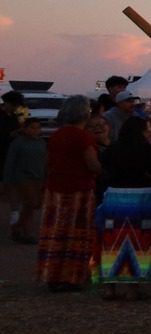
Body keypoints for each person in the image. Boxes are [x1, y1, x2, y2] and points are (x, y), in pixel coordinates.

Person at [96, 110, 151, 301]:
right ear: (142, 131)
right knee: (138, 243)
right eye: (148, 128)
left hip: (114, 201)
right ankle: (132, 289)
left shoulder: (112, 149)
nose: (150, 131)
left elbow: (102, 171)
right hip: (144, 202)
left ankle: (110, 287)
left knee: (112, 242)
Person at [38, 97, 100, 291]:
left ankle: (52, 273)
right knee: (77, 233)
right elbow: (92, 164)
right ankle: (72, 276)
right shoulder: (82, 137)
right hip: (78, 189)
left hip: (55, 188)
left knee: (56, 231)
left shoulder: (57, 135)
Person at [5, 114, 46, 245]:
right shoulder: (18, 143)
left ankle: (20, 229)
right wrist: (7, 180)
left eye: (38, 128)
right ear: (25, 128)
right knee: (31, 203)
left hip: (38, 177)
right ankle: (24, 231)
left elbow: (45, 160)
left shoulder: (42, 143)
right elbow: (10, 162)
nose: (35, 130)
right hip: (22, 177)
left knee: (32, 206)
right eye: (32, 128)